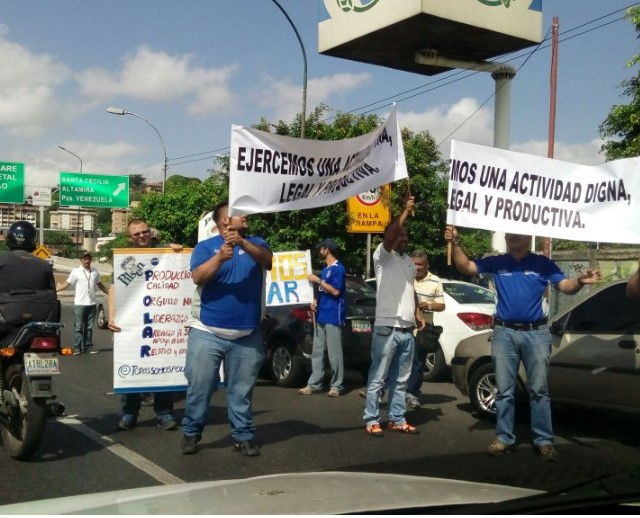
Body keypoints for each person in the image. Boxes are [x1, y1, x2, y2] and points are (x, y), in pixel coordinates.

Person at [444, 226, 601, 461]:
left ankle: (544, 440)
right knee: (504, 390)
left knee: (539, 390)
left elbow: (565, 287)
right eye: (508, 232)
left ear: (529, 236)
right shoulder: (497, 262)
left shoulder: (542, 263)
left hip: (536, 333)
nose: (511, 235)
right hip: (504, 333)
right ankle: (504, 437)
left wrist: (579, 280)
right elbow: (465, 267)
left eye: (518, 232)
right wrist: (455, 243)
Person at [181, 202, 272, 456]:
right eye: (240, 213)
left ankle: (243, 435)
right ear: (224, 221)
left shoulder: (257, 243)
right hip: (206, 331)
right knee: (200, 386)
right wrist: (220, 256)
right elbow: (198, 277)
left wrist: (242, 244)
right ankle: (191, 431)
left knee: (241, 391)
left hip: (247, 333)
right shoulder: (205, 248)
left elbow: (268, 261)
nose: (246, 216)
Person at [107, 218, 179, 432]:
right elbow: (113, 288)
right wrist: (111, 317)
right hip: (132, 322)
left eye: (144, 232)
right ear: (130, 237)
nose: (141, 236)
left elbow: (182, 271)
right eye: (136, 234)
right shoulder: (124, 259)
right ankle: (129, 413)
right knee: (132, 368)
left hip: (161, 320)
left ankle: (164, 413)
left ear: (150, 232)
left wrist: (177, 251)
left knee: (163, 367)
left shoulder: (165, 254)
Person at [363, 197, 425, 437]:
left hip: (406, 329)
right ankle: (371, 419)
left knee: (401, 380)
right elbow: (389, 236)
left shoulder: (409, 262)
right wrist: (405, 212)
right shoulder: (382, 257)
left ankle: (397, 418)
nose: (404, 238)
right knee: (378, 377)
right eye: (400, 235)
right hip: (386, 327)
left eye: (405, 236)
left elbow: (410, 289)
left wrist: (417, 313)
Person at [299, 238, 346, 397]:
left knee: (334, 354)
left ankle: (336, 386)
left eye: (321, 249)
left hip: (333, 315)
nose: (320, 251)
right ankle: (315, 384)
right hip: (321, 315)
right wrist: (315, 303)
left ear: (327, 250)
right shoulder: (326, 269)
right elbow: (323, 292)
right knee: (317, 352)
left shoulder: (338, 268)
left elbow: (335, 291)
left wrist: (318, 280)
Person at [0, 221, 59, 334]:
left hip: (4, 320)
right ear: (32, 240)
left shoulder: (1, 258)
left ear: (9, 238)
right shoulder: (45, 265)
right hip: (39, 320)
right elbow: (53, 294)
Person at [405, 249, 445, 409]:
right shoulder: (406, 277)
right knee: (396, 359)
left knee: (418, 362)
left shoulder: (435, 281)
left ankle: (412, 393)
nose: (417, 268)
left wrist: (427, 304)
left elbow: (441, 305)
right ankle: (381, 390)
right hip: (405, 323)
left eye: (420, 265)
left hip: (424, 325)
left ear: (426, 264)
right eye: (414, 264)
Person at [56, 252, 108, 355]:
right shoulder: (76, 271)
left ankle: (88, 347)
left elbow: (100, 284)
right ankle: (77, 348)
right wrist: (55, 290)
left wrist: (109, 293)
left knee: (89, 328)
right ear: (81, 260)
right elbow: (67, 284)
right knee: (79, 327)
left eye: (88, 259)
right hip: (80, 303)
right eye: (85, 259)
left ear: (90, 260)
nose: (87, 261)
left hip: (92, 304)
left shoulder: (95, 271)